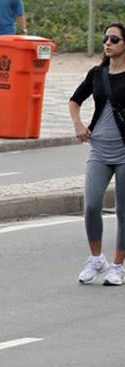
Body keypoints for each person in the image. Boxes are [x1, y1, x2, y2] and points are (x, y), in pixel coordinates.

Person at [70, 22, 125, 286]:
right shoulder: (97, 73)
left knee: (123, 211)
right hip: (99, 149)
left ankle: (117, 266)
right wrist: (79, 125)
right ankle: (96, 260)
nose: (108, 43)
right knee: (91, 205)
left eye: (114, 39)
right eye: (106, 39)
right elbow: (74, 100)